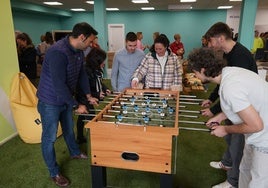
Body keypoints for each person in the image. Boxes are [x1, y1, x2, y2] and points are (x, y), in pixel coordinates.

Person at [188, 47, 268, 188]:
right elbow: (242, 105)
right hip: (256, 134)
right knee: (244, 170)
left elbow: (256, 125)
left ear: (202, 70)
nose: (196, 77)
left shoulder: (230, 87)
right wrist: (220, 117)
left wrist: (225, 129)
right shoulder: (229, 73)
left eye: (195, 73)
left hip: (264, 138)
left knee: (257, 182)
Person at [36, 22, 99, 187]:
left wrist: (87, 95)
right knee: (49, 138)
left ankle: (75, 152)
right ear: (81, 37)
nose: (91, 45)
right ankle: (54, 172)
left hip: (65, 98)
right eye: (90, 41)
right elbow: (59, 85)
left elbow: (81, 75)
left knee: (68, 128)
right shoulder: (57, 52)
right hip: (50, 100)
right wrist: (76, 105)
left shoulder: (78, 51)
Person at [201, 22, 258, 188]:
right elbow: (221, 83)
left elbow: (233, 92)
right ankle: (227, 163)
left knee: (237, 144)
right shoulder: (227, 54)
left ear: (220, 38)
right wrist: (212, 99)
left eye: (211, 41)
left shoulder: (239, 56)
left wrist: (215, 111)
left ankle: (233, 182)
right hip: (236, 105)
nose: (210, 45)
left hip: (245, 109)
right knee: (230, 139)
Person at [76, 47, 110, 144]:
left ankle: (80, 137)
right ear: (96, 61)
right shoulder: (86, 71)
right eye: (102, 61)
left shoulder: (97, 69)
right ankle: (94, 141)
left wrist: (105, 89)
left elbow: (99, 82)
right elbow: (84, 89)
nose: (104, 63)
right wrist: (96, 94)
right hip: (83, 98)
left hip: (90, 97)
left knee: (82, 117)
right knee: (91, 118)